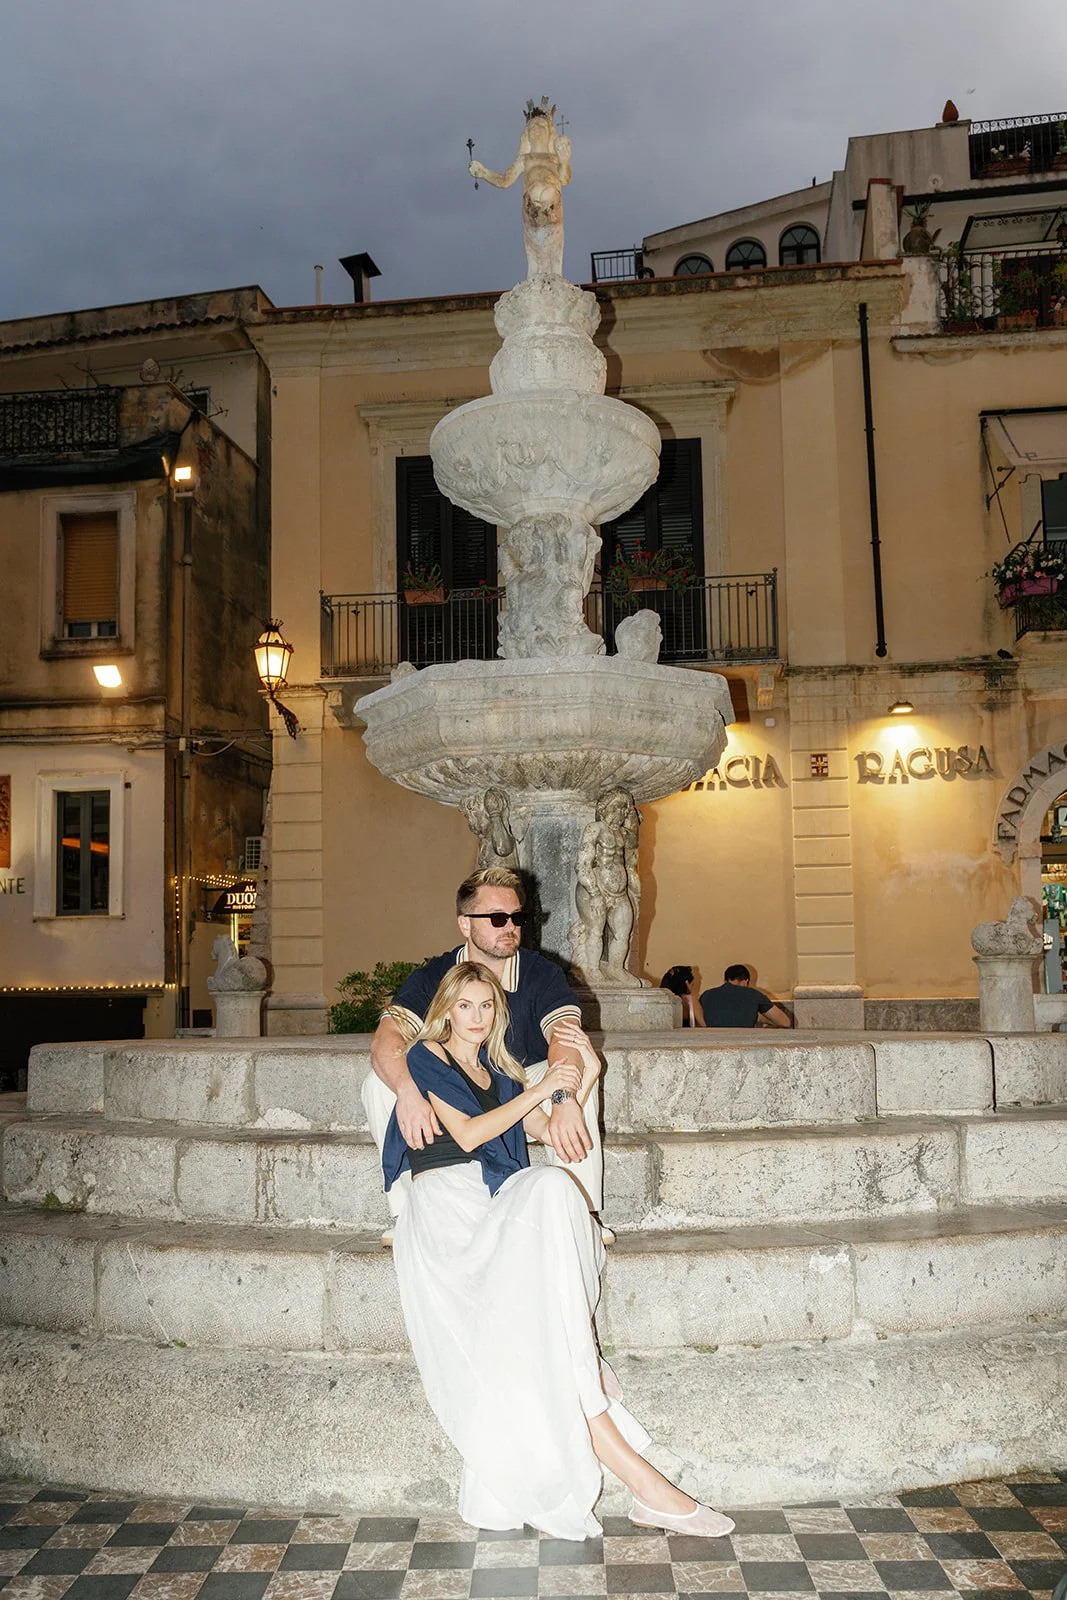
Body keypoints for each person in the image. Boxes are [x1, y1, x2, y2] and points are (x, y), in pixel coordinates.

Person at [386, 959, 735, 1542]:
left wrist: (579, 1085)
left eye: (487, 1006)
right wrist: (543, 1089)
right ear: (444, 1010)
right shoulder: (428, 1058)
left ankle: (646, 1481)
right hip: (450, 1215)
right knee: (549, 1190)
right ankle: (644, 1477)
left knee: (553, 1190)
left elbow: (547, 1131)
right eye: (464, 1006)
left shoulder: (500, 1069)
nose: (476, 1017)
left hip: (490, 1205)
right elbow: (470, 1135)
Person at [364, 866, 610, 1242]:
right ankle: (405, 1212)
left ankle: (584, 1210)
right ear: (465, 924)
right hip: (462, 1081)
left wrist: (563, 1098)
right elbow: (387, 1037)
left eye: (517, 917)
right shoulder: (436, 975)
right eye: (497, 918)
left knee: (569, 1086)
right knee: (379, 1085)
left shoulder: (541, 974)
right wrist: (408, 1091)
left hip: (520, 1078)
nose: (509, 926)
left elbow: (564, 1039)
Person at [699, 964, 792, 1029]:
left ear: (725, 980)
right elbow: (785, 1022)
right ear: (746, 981)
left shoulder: (707, 995)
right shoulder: (753, 994)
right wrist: (759, 1018)